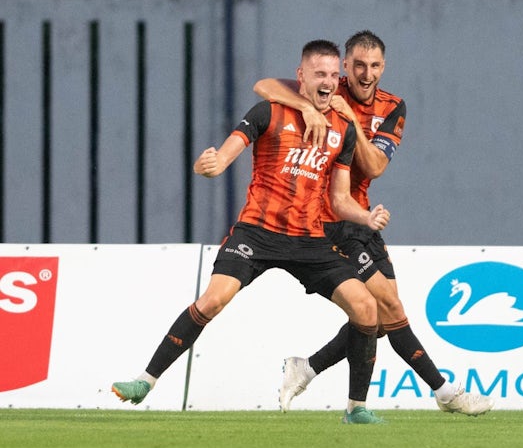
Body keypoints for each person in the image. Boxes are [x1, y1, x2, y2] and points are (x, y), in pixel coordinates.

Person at [112, 39, 392, 424]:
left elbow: (340, 200)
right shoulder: (268, 113)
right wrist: (208, 164)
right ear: (301, 77)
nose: (328, 82)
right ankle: (145, 380)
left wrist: (365, 217)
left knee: (367, 309)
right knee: (212, 300)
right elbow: (223, 157)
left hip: (309, 239)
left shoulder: (342, 129)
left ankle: (356, 408)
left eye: (332, 75)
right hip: (257, 233)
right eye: (319, 74)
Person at [254, 30, 494, 416]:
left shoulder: (393, 106)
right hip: (328, 220)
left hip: (361, 218)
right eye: (360, 65)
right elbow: (263, 85)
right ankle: (445, 391)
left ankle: (307, 367)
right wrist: (310, 108)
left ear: (384, 67)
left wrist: (349, 121)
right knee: (390, 308)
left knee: (381, 322)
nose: (367, 74)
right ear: (346, 66)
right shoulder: (328, 86)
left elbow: (376, 166)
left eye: (375, 66)